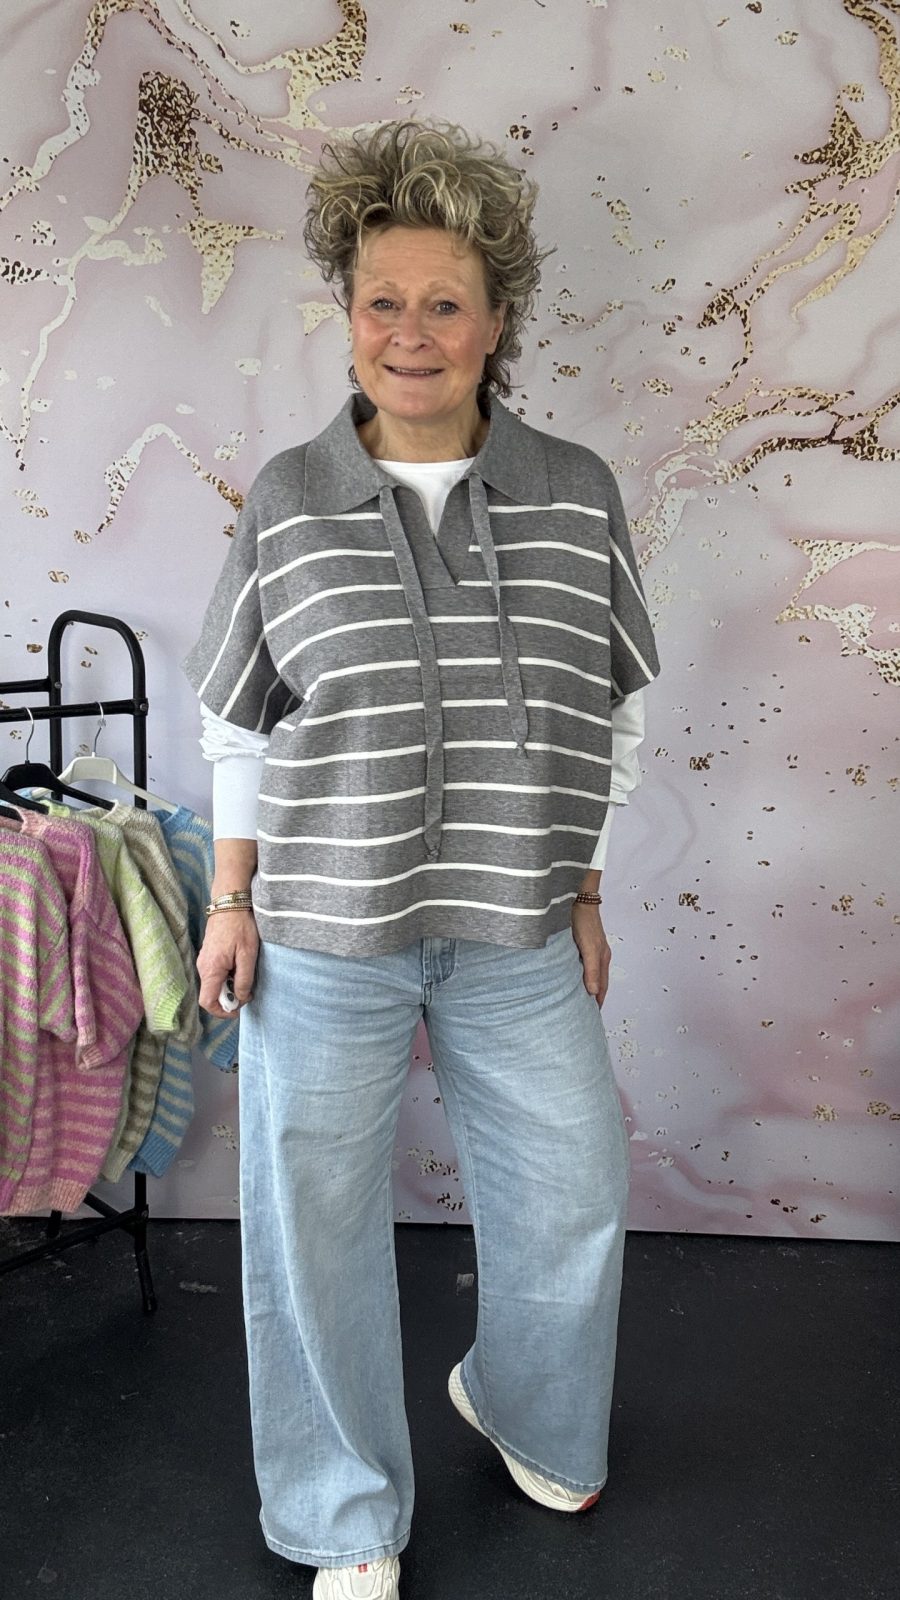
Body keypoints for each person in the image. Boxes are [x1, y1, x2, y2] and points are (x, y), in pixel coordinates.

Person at [185, 119, 660, 1600]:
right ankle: (343, 1511)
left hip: (517, 924)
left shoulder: (575, 492)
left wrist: (586, 888)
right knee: (312, 1227)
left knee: (573, 1186)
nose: (410, 332)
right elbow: (240, 721)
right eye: (381, 300)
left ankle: (520, 1402)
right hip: (323, 931)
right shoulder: (289, 499)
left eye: (443, 302)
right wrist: (231, 899)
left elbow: (614, 706)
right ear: (347, 317)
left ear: (496, 320)